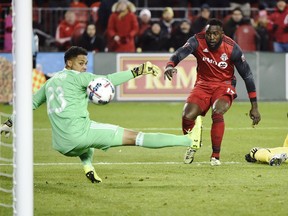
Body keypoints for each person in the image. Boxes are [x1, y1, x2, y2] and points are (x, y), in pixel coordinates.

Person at [0, 46, 197, 183]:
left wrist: (10, 122)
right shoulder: (80, 79)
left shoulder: (50, 82)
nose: (84, 67)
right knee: (137, 137)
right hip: (79, 135)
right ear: (68, 63)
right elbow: (109, 80)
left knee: (88, 140)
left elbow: (29, 103)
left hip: (61, 145)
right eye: (80, 63)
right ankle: (189, 141)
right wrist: (139, 71)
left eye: (86, 63)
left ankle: (88, 167)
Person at [164, 18, 261, 166]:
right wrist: (170, 65)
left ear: (222, 33)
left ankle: (215, 156)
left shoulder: (232, 48)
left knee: (218, 111)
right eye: (209, 33)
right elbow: (180, 53)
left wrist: (254, 106)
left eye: (215, 34)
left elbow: (247, 76)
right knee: (187, 116)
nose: (211, 37)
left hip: (224, 85)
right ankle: (193, 143)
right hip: (203, 84)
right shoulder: (197, 40)